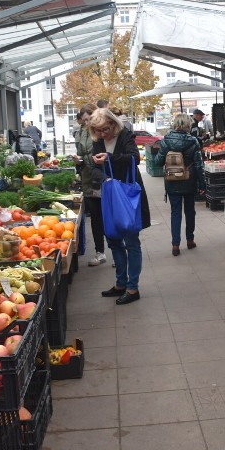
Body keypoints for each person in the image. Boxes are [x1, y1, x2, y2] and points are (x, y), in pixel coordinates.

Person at [90, 108, 151, 305]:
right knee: (114, 239)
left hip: (126, 195)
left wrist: (110, 158)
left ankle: (133, 288)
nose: (102, 134)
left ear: (113, 124)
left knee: (131, 241)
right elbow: (93, 167)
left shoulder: (125, 135)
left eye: (105, 129)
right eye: (98, 131)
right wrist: (99, 169)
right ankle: (120, 283)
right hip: (109, 194)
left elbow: (134, 158)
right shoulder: (98, 140)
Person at [154, 113, 206, 256]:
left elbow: (158, 162)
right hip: (189, 180)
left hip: (172, 181)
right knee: (190, 211)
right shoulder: (194, 141)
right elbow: (199, 165)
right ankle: (190, 240)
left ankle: (175, 244)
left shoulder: (166, 140)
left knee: (175, 212)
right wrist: (202, 184)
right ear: (188, 125)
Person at [73, 103, 107, 267]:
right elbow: (82, 153)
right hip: (87, 178)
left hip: (100, 177)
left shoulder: (100, 132)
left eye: (88, 119)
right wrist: (78, 161)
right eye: (84, 120)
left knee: (108, 214)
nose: (86, 123)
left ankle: (119, 249)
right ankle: (100, 252)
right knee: (95, 216)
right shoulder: (81, 131)